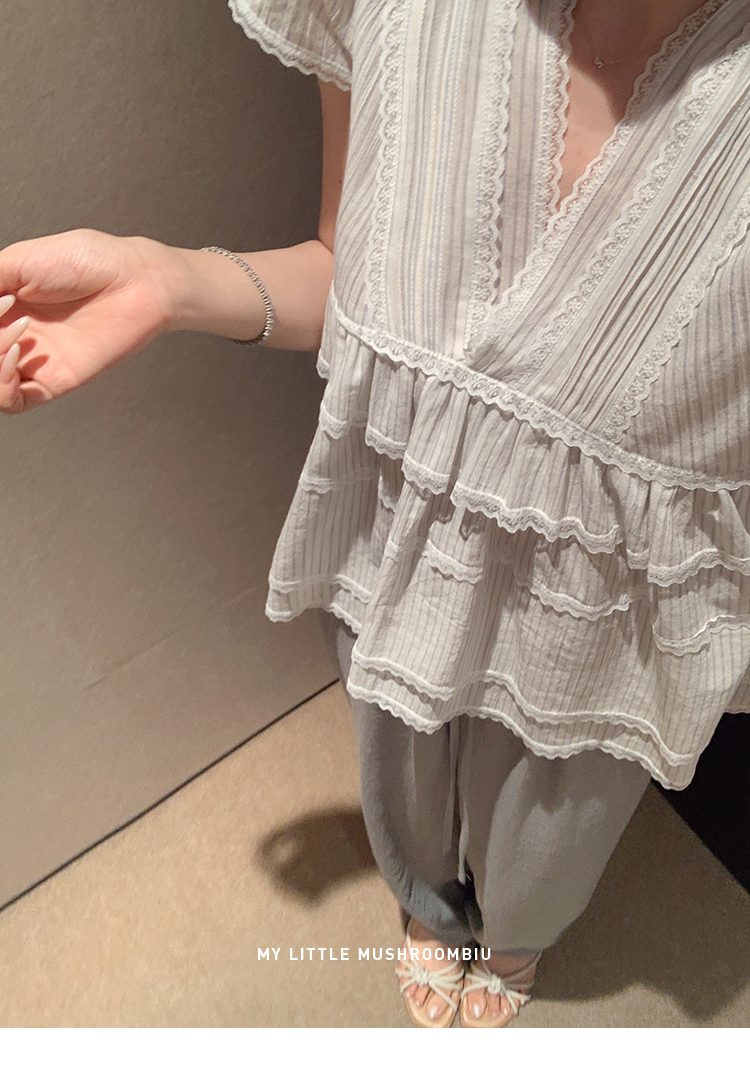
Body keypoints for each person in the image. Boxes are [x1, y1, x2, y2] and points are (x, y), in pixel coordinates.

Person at [0, 0, 749, 1028]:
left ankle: (516, 933)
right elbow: (346, 267)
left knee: (558, 820)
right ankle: (430, 902)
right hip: (397, 529)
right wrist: (172, 282)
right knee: (400, 756)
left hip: (615, 603)